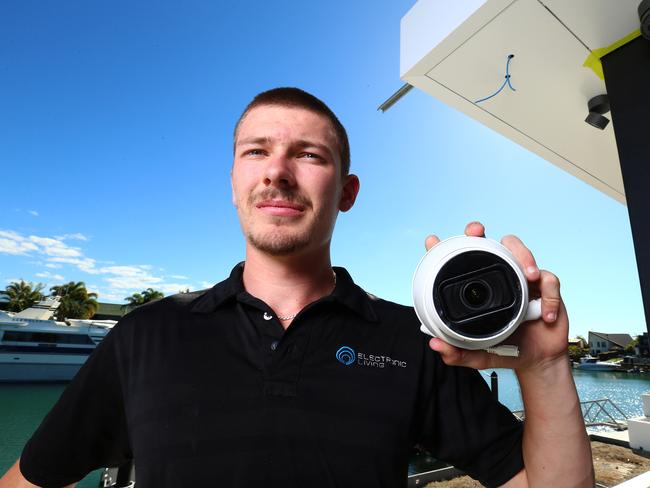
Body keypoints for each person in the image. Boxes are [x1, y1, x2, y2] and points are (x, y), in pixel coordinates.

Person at [0, 87, 593, 488]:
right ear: (234, 182)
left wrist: (543, 369)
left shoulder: (412, 343)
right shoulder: (145, 335)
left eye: (308, 155)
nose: (277, 171)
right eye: (256, 151)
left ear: (348, 192)